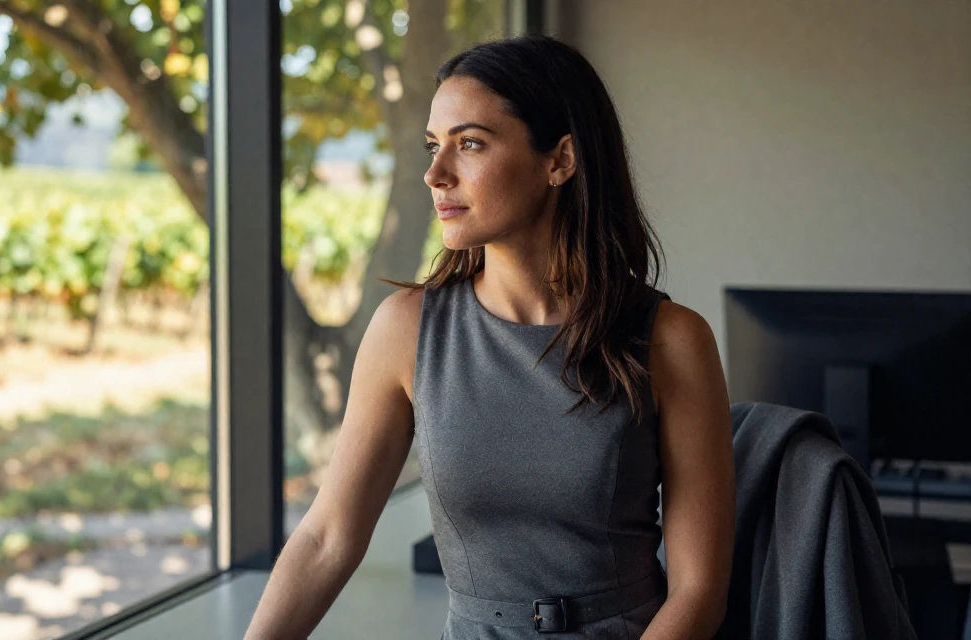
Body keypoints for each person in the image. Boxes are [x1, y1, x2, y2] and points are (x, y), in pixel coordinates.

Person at [245, 34, 735, 639]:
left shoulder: (671, 339)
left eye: (469, 143)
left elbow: (699, 589)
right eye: (433, 146)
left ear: (560, 160)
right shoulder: (406, 330)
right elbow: (325, 540)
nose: (435, 174)